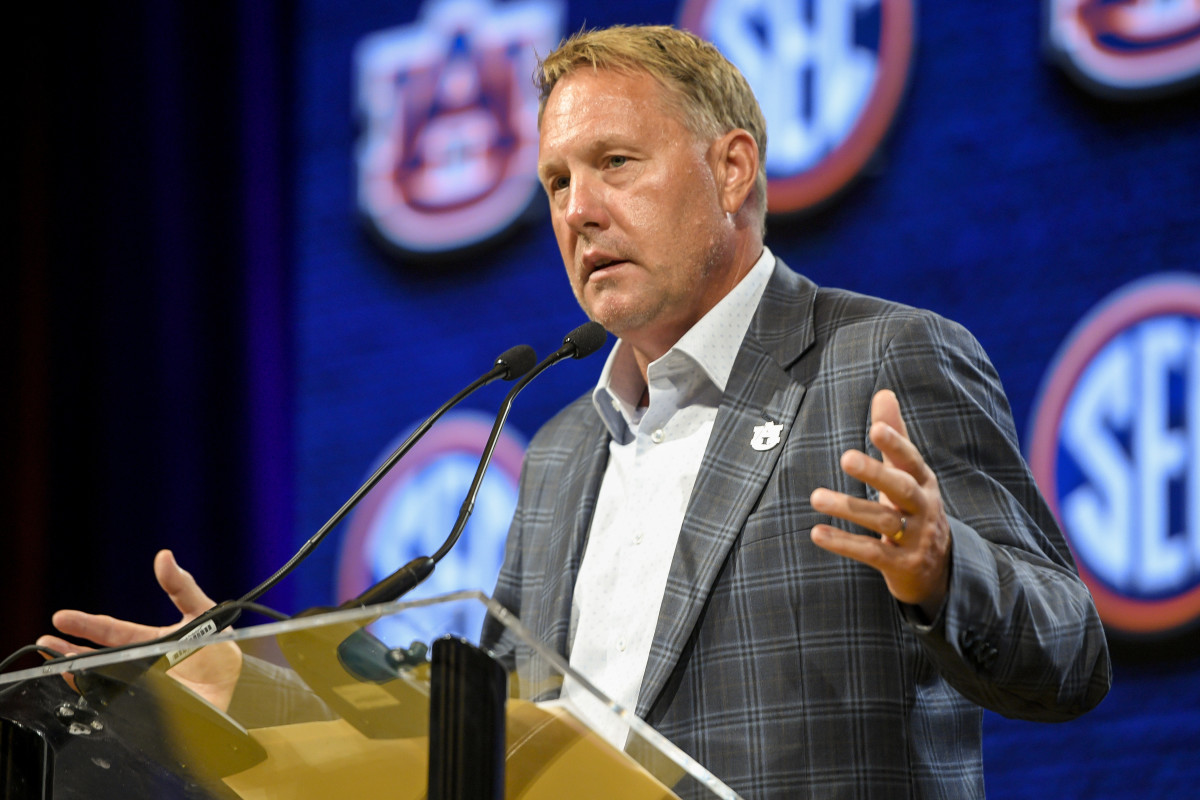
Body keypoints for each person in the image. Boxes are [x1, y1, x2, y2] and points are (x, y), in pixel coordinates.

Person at [41, 24, 1110, 798]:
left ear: (730, 168)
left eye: (614, 164)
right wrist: (245, 687)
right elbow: (486, 748)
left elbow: (1071, 653)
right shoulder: (558, 454)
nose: (578, 210)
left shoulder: (883, 357)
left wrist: (942, 566)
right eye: (555, 181)